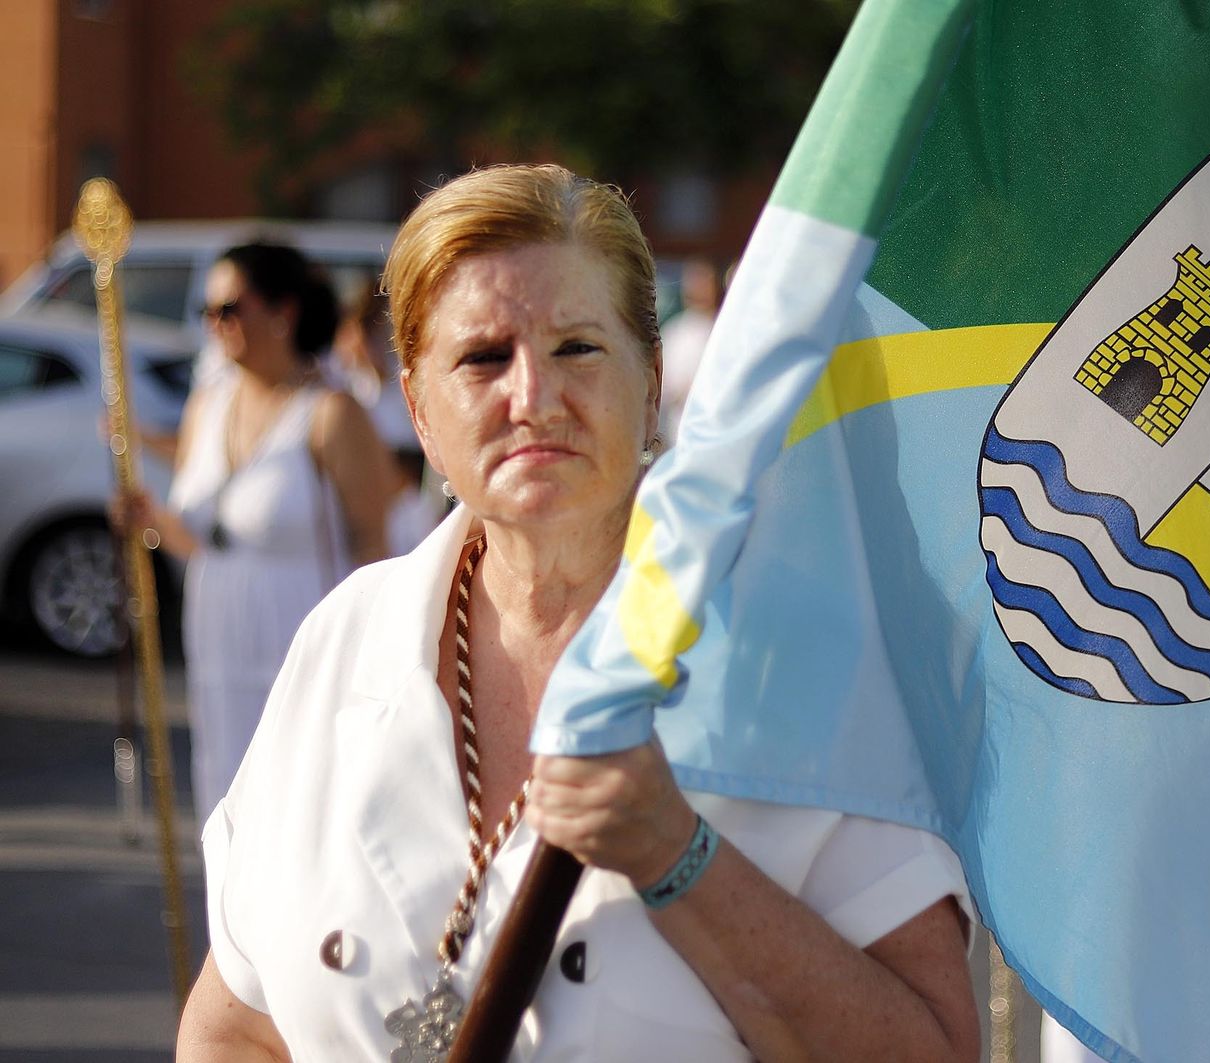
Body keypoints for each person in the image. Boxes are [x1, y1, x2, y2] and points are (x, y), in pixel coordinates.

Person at [176, 165, 978, 1061]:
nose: (534, 396)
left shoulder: (804, 659)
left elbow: (933, 1047)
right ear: (419, 411)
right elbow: (235, 1026)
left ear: (651, 379)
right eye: (483, 358)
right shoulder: (346, 639)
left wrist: (679, 858)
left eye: (577, 348)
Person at [117, 242, 394, 827]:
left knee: (300, 809)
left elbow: (375, 542)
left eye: (229, 309)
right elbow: (207, 537)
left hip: (301, 637)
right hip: (217, 638)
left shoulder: (331, 413)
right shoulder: (207, 405)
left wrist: (373, 656)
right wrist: (149, 522)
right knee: (226, 798)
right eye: (208, 313)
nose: (215, 325)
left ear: (282, 313)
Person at [330, 280, 444, 552]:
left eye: (382, 335)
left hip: (409, 517)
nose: (374, 344)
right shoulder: (342, 391)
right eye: (368, 332)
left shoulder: (403, 392)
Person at [658, 254, 723, 444]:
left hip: (718, 427)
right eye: (695, 282)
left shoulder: (723, 327)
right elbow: (665, 387)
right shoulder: (675, 333)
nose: (700, 287)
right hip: (682, 429)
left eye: (705, 281)